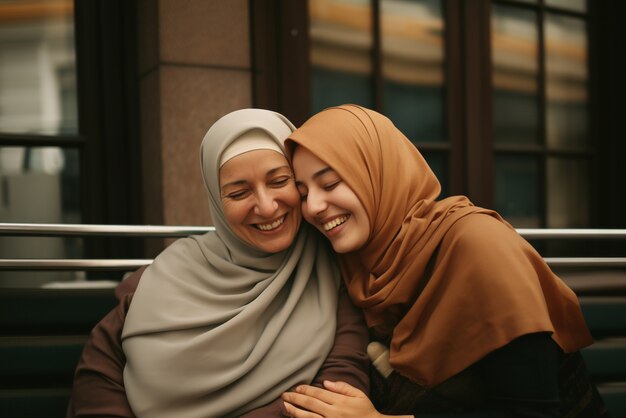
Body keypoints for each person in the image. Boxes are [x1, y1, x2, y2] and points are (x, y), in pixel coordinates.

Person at [281, 104, 608, 417]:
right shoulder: (360, 261)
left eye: (329, 183)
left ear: (378, 173)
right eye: (304, 193)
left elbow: (533, 413)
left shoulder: (478, 246)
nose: (313, 207)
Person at [66, 108, 369, 418]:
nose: (266, 207)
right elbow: (100, 376)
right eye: (239, 193)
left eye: (279, 180)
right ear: (215, 199)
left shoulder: (333, 271)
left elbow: (337, 392)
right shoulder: (163, 276)